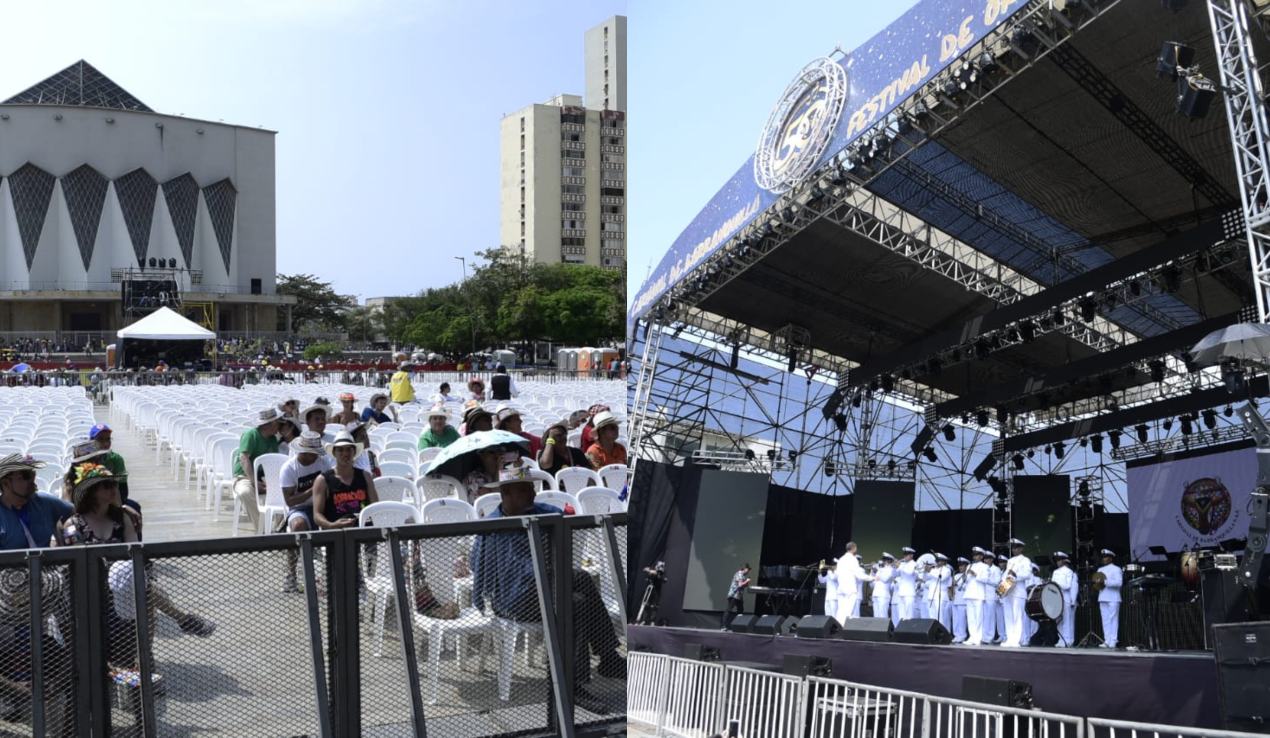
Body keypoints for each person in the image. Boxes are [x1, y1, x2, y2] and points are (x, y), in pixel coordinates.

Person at [469, 458, 625, 696]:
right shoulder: (492, 525)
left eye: (531, 487)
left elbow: (564, 530)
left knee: (581, 583)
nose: (532, 493)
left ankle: (601, 661)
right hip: (514, 599)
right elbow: (477, 565)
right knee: (576, 601)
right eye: (524, 489)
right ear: (506, 493)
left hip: (549, 585)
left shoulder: (545, 513)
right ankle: (578, 681)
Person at [279, 433, 332, 592]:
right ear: (303, 451)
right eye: (312, 453)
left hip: (322, 505)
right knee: (298, 525)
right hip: (299, 508)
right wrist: (312, 490)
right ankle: (291, 574)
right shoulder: (289, 469)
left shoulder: (323, 463)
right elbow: (290, 501)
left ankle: (329, 574)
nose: (315, 456)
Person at [0, 455, 71, 550]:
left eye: (33, 474)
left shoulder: (45, 501)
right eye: (26, 476)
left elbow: (77, 514)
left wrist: (62, 537)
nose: (32, 480)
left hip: (46, 564)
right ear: (6, 483)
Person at [311, 431, 379, 529]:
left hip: (364, 532)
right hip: (336, 534)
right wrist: (332, 525)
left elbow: (375, 507)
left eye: (348, 449)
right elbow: (317, 515)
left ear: (354, 452)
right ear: (334, 453)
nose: (345, 453)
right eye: (340, 450)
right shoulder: (322, 480)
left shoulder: (365, 476)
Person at [232, 409, 281, 532]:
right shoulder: (251, 435)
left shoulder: (273, 439)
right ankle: (262, 529)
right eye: (277, 422)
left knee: (284, 491)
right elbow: (244, 458)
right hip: (244, 477)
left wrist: (270, 483)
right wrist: (253, 481)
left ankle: (280, 528)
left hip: (264, 478)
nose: (279, 425)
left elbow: (273, 463)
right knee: (245, 492)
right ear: (269, 424)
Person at [87, 424, 136, 512]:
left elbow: (123, 490)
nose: (105, 443)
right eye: (100, 439)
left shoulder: (116, 459)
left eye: (108, 439)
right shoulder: (85, 460)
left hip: (113, 499)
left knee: (135, 508)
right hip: (89, 501)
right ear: (91, 441)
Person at [1000, 538, 1033, 648]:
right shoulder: (1010, 561)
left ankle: (1016, 640)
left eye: (1016, 547)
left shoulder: (1025, 560)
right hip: (1008, 590)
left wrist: (1015, 575)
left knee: (1017, 616)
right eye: (1013, 548)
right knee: (1008, 616)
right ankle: (1010, 639)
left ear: (1021, 548)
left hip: (1018, 591)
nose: (1014, 550)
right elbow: (1006, 575)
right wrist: (1001, 589)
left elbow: (1027, 574)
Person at [833, 542, 872, 624]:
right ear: (854, 548)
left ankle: (836, 627)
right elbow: (859, 575)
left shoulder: (841, 559)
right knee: (848, 611)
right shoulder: (853, 559)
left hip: (841, 588)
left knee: (840, 610)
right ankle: (842, 629)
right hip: (850, 588)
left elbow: (836, 574)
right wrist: (872, 578)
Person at [1050, 551, 1078, 647]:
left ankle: (1069, 640)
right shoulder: (1055, 572)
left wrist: (1072, 600)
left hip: (1066, 597)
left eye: (1059, 560)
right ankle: (1061, 640)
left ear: (1064, 560)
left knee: (1068, 620)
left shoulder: (1069, 572)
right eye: (1056, 560)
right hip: (1057, 597)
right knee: (1059, 620)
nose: (1057, 562)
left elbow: (1068, 586)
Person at [1096, 548, 1122, 648]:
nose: (1104, 559)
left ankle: (1113, 640)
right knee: (1105, 620)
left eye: (1106, 557)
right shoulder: (1100, 570)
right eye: (1103, 557)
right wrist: (1097, 584)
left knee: (1113, 619)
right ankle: (1107, 640)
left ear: (1111, 558)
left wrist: (1105, 582)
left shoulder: (1116, 569)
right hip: (1102, 596)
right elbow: (1097, 584)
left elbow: (1119, 583)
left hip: (1113, 597)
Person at [963, 547, 989, 646]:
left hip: (978, 594)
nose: (975, 556)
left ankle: (978, 638)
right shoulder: (970, 565)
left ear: (981, 556)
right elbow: (967, 581)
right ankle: (972, 637)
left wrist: (976, 574)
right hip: (969, 594)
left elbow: (985, 579)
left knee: (978, 617)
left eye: (977, 555)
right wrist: (966, 577)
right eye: (974, 555)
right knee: (970, 618)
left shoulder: (984, 566)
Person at [926, 553, 953, 633]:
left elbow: (942, 578)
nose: (937, 562)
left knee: (941, 617)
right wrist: (925, 571)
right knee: (932, 616)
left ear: (944, 562)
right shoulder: (934, 570)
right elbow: (924, 578)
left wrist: (930, 571)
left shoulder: (947, 570)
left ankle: (943, 634)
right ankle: (934, 633)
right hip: (931, 595)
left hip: (940, 596)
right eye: (937, 560)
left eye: (939, 561)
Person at [721, 563, 751, 629]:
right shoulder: (739, 574)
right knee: (729, 610)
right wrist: (747, 581)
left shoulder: (743, 575)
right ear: (745, 569)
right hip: (734, 595)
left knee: (740, 610)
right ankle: (723, 626)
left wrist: (746, 583)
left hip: (739, 596)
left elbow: (742, 586)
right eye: (748, 570)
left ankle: (738, 625)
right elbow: (740, 585)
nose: (748, 572)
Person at [892, 547, 918, 624]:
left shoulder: (914, 564)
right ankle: (901, 632)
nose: (904, 556)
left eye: (906, 555)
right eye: (904, 554)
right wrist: (894, 566)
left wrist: (899, 565)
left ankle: (909, 634)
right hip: (901, 593)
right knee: (902, 616)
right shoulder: (902, 564)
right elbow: (894, 574)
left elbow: (909, 572)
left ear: (911, 556)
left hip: (909, 593)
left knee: (909, 616)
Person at [950, 557, 970, 643]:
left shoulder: (968, 576)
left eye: (963, 566)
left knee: (962, 619)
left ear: (966, 566)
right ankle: (956, 635)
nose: (961, 567)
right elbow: (951, 587)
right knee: (955, 619)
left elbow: (967, 587)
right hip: (955, 600)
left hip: (963, 600)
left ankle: (962, 635)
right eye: (960, 566)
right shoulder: (956, 575)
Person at [871, 553, 894, 621]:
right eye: (883, 559)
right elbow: (873, 585)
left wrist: (878, 570)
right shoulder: (881, 570)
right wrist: (872, 573)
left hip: (883, 595)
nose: (883, 561)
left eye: (885, 560)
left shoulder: (891, 570)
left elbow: (885, 579)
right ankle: (876, 630)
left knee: (882, 615)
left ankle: (884, 631)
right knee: (876, 615)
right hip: (875, 594)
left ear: (889, 561)